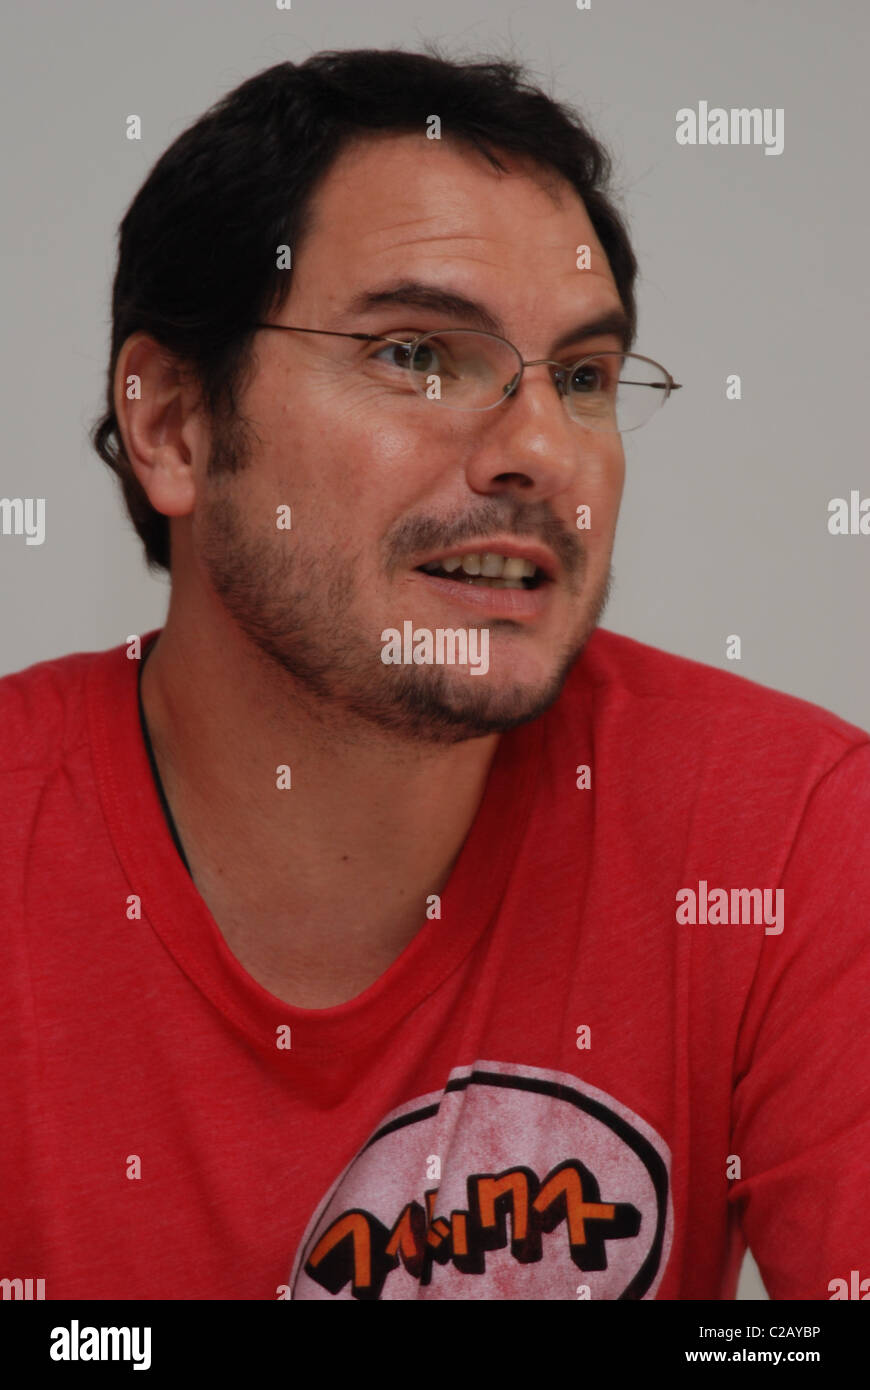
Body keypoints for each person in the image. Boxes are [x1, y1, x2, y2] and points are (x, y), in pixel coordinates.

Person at [1, 46, 867, 1303]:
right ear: (173, 424)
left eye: (580, 378)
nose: (538, 452)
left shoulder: (789, 835)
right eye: (417, 354)